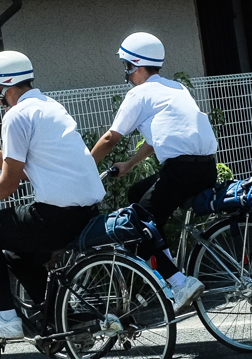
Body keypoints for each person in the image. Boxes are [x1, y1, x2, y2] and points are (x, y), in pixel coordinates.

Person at [0, 51, 106, 339]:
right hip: (87, 212)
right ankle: (58, 319)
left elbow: (8, 186)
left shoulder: (17, 115)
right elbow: (23, 172)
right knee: (17, 255)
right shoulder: (50, 107)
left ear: (4, 88)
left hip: (57, 218)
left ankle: (5, 317)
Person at [90, 31, 215, 314]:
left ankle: (178, 282)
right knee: (137, 195)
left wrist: (83, 167)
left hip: (180, 171)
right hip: (205, 168)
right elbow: (156, 138)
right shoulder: (175, 88)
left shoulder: (140, 93)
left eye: (127, 67)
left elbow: (111, 138)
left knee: (135, 225)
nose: (126, 74)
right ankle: (170, 274)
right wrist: (130, 164)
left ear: (136, 65)